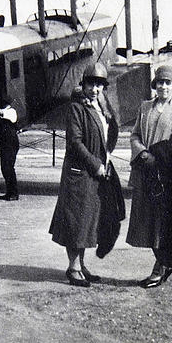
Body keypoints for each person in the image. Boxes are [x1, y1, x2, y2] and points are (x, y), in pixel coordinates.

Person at [49, 62, 122, 287]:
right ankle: (73, 268)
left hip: (95, 173)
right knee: (75, 223)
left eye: (99, 85)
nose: (95, 89)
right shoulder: (76, 108)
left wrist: (106, 158)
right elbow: (75, 143)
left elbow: (109, 134)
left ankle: (80, 265)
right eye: (91, 84)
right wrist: (95, 164)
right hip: (80, 174)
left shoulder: (100, 108)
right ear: (84, 84)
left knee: (87, 222)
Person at [126, 63, 172, 288]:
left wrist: (156, 156)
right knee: (147, 221)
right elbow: (134, 135)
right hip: (145, 172)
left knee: (163, 222)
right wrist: (143, 153)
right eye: (160, 82)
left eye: (168, 83)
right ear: (155, 85)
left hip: (166, 174)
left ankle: (160, 266)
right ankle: (163, 263)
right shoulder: (145, 107)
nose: (163, 86)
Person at [0, 96, 20, 201]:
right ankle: (9, 192)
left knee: (8, 167)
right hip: (6, 142)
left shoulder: (11, 112)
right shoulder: (6, 113)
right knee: (5, 167)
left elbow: (0, 112)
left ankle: (14, 193)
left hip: (10, 141)